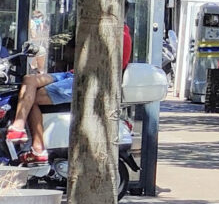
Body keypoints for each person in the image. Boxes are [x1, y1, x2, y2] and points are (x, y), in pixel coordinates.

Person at [7, 24, 132, 161]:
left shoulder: (120, 36)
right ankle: (18, 127)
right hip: (73, 74)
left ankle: (38, 148)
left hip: (87, 80)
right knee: (29, 79)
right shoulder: (104, 31)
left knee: (34, 99)